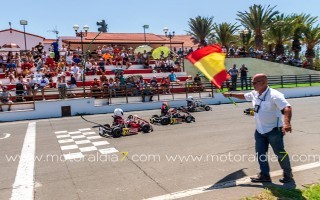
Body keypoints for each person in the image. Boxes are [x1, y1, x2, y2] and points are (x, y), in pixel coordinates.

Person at [223, 74, 293, 183]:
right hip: (260, 131)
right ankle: (265, 175)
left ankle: (288, 175)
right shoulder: (255, 93)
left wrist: (287, 123)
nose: (252, 84)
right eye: (252, 82)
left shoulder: (275, 95)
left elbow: (287, 108)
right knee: (260, 153)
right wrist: (230, 94)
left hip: (274, 131)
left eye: (254, 82)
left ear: (263, 83)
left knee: (280, 153)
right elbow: (244, 96)